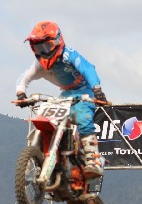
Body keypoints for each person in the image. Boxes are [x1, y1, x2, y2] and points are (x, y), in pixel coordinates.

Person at [15, 20, 107, 178]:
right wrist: (21, 94)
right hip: (66, 93)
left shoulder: (68, 55)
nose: (43, 53)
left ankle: (93, 160)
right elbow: (23, 78)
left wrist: (96, 89)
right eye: (38, 48)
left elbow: (88, 68)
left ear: (58, 41)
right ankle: (41, 154)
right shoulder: (38, 64)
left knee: (83, 116)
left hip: (84, 91)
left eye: (47, 47)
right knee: (45, 117)